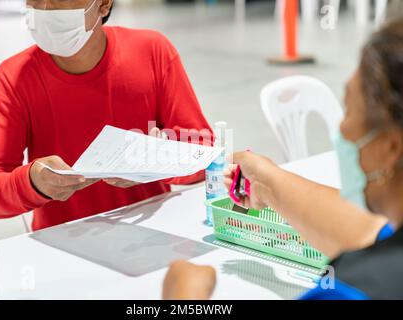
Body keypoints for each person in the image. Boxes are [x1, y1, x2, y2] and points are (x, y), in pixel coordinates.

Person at [163, 18, 403, 300]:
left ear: (390, 146)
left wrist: (184, 294)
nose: (342, 128)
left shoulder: (353, 291)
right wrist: (266, 182)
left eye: (349, 109)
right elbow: (369, 231)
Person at [0, 0, 212, 231]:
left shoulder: (152, 52)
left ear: (103, 4)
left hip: (152, 233)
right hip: (62, 244)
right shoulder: (12, 79)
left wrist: (161, 161)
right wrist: (32, 182)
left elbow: (207, 153)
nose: (45, 9)